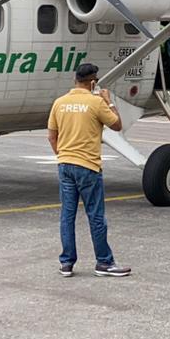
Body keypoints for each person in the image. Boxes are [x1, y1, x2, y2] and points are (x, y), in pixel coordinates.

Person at [47, 63, 131, 278]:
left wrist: (63, 156)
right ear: (93, 82)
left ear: (75, 79)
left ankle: (66, 263)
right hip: (88, 166)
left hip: (65, 165)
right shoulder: (95, 103)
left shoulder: (59, 103)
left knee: (67, 215)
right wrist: (108, 101)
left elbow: (52, 136)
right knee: (95, 215)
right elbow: (117, 125)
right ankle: (104, 262)